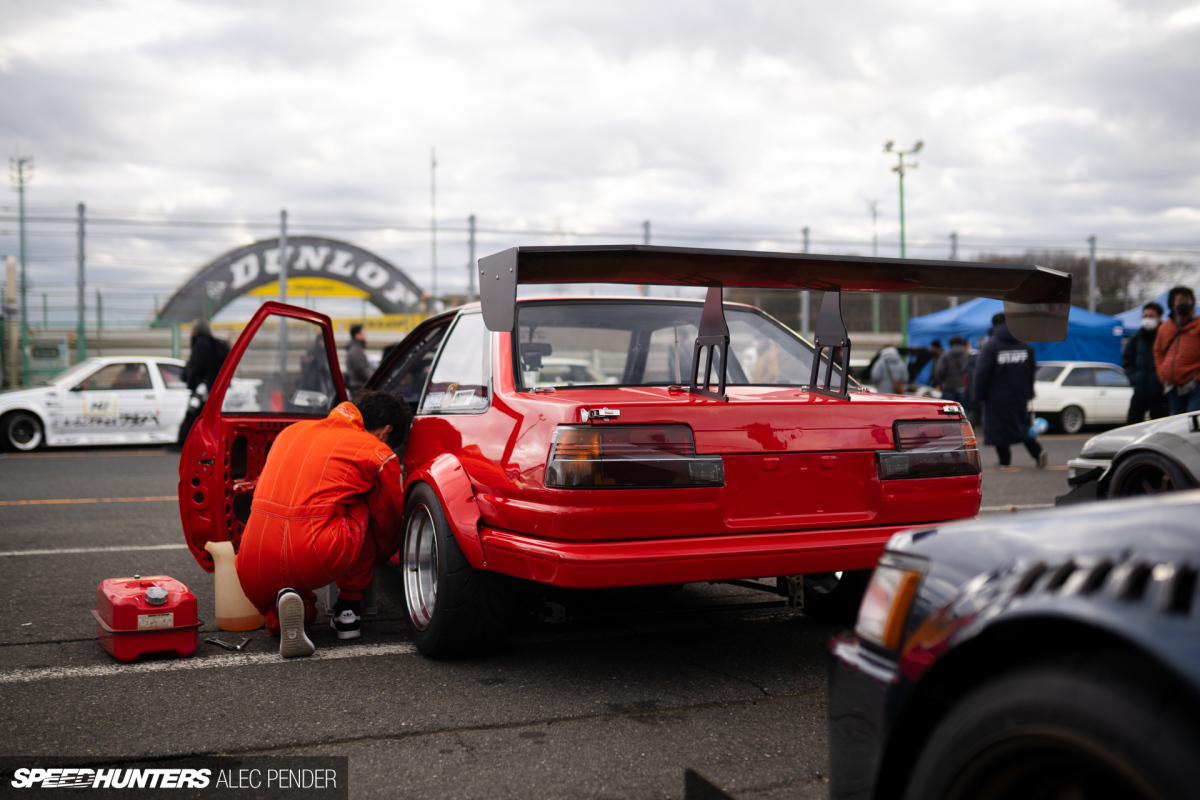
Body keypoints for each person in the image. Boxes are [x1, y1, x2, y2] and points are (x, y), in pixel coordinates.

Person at [235, 390, 411, 658]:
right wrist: (382, 556)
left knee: (282, 600)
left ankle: (287, 613)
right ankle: (348, 612)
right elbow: (387, 522)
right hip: (316, 552)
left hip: (251, 559)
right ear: (386, 431)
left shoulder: (290, 432)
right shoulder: (375, 451)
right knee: (367, 502)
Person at [972, 313, 1047, 469]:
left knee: (999, 429)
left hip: (996, 398)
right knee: (1022, 427)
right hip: (1020, 396)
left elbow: (982, 374)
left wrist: (978, 396)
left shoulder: (991, 346)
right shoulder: (1026, 346)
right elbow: (1031, 372)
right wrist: (1029, 392)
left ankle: (1004, 460)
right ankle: (1038, 453)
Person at [172, 320, 230, 450]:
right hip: (210, 386)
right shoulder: (215, 345)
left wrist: (191, 379)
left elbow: (198, 366)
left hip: (201, 387)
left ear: (196, 331)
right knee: (206, 415)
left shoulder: (201, 344)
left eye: (192, 329)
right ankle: (206, 442)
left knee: (193, 413)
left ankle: (185, 442)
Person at [1154, 286, 1200, 415]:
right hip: (1172, 386)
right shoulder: (1164, 327)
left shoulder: (1198, 324)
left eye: (1188, 299)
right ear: (1172, 304)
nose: (1184, 303)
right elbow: (1158, 352)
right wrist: (1162, 375)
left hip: (1196, 385)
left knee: (1193, 421)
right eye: (1180, 300)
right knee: (1179, 421)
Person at [1123, 301, 1169, 424]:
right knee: (1131, 426)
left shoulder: (1166, 338)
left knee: (1160, 428)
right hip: (1139, 392)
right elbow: (1127, 361)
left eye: (1151, 316)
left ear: (1159, 318)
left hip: (1160, 394)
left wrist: (1162, 380)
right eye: (1145, 316)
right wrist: (1134, 378)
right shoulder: (1136, 339)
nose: (1147, 319)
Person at [934, 336, 970, 407]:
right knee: (961, 409)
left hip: (948, 387)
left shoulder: (945, 356)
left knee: (947, 410)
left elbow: (940, 371)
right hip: (962, 387)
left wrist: (940, 383)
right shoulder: (967, 356)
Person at [344, 324, 371, 392]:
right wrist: (374, 378)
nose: (365, 336)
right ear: (357, 335)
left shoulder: (354, 348)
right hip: (359, 387)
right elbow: (362, 369)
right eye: (363, 334)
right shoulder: (356, 351)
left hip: (356, 386)